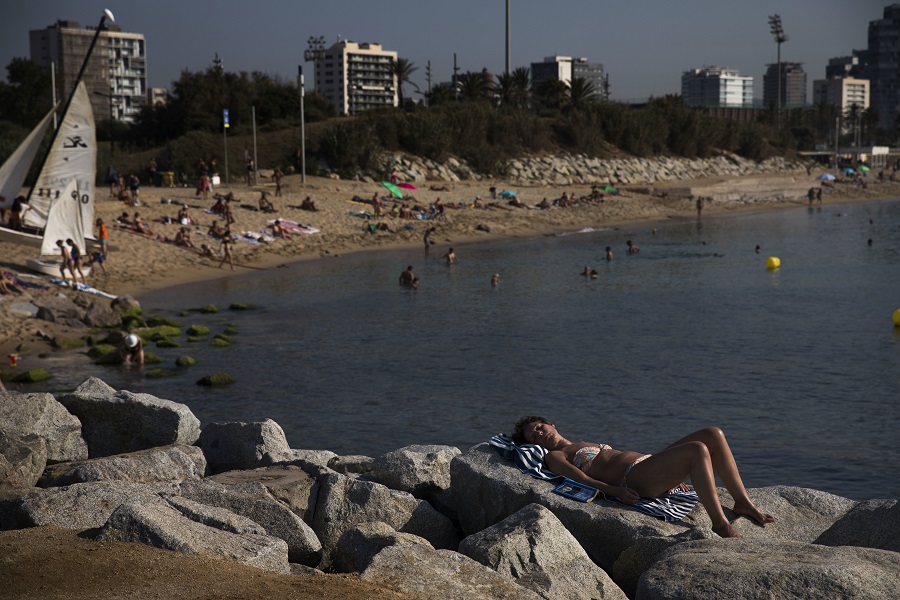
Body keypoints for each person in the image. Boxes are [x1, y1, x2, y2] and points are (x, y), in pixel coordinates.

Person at [511, 416, 775, 538]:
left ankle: (743, 502)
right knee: (697, 449)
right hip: (634, 480)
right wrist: (613, 492)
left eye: (539, 427)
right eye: (533, 436)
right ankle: (720, 524)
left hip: (646, 466)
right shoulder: (555, 456)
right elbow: (578, 479)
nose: (538, 433)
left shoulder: (581, 441)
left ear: (551, 424)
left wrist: (665, 467)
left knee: (713, 433)